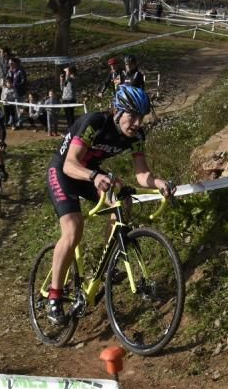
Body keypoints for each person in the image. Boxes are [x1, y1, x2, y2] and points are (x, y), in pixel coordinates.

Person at [44, 85, 174, 325]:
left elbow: (142, 174)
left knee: (123, 199)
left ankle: (108, 261)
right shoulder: (95, 122)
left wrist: (160, 184)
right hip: (64, 171)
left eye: (141, 117)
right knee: (73, 229)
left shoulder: (136, 136)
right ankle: (54, 296)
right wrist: (94, 177)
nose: (137, 123)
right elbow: (70, 164)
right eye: (132, 115)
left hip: (89, 173)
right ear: (117, 111)